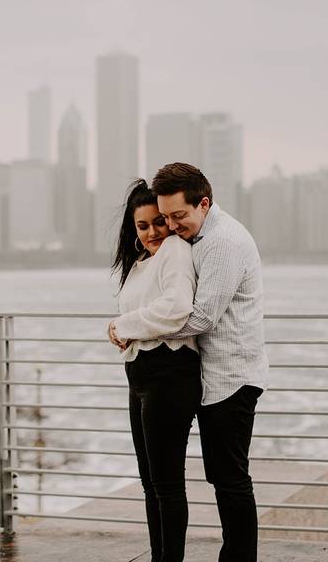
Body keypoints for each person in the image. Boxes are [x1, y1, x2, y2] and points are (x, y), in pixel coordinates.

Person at [112, 163, 269, 562]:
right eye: (165, 218)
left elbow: (198, 318)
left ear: (204, 203)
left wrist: (130, 326)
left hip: (232, 375)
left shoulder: (222, 243)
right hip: (209, 374)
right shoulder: (195, 239)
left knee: (229, 479)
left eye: (178, 216)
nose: (171, 226)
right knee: (219, 478)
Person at [108, 178, 200, 562]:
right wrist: (122, 328)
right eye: (142, 226)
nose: (151, 233)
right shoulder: (140, 263)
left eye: (157, 223)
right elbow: (139, 314)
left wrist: (123, 328)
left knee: (166, 483)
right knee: (149, 481)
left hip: (170, 373)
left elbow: (177, 307)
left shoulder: (176, 250)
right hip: (140, 375)